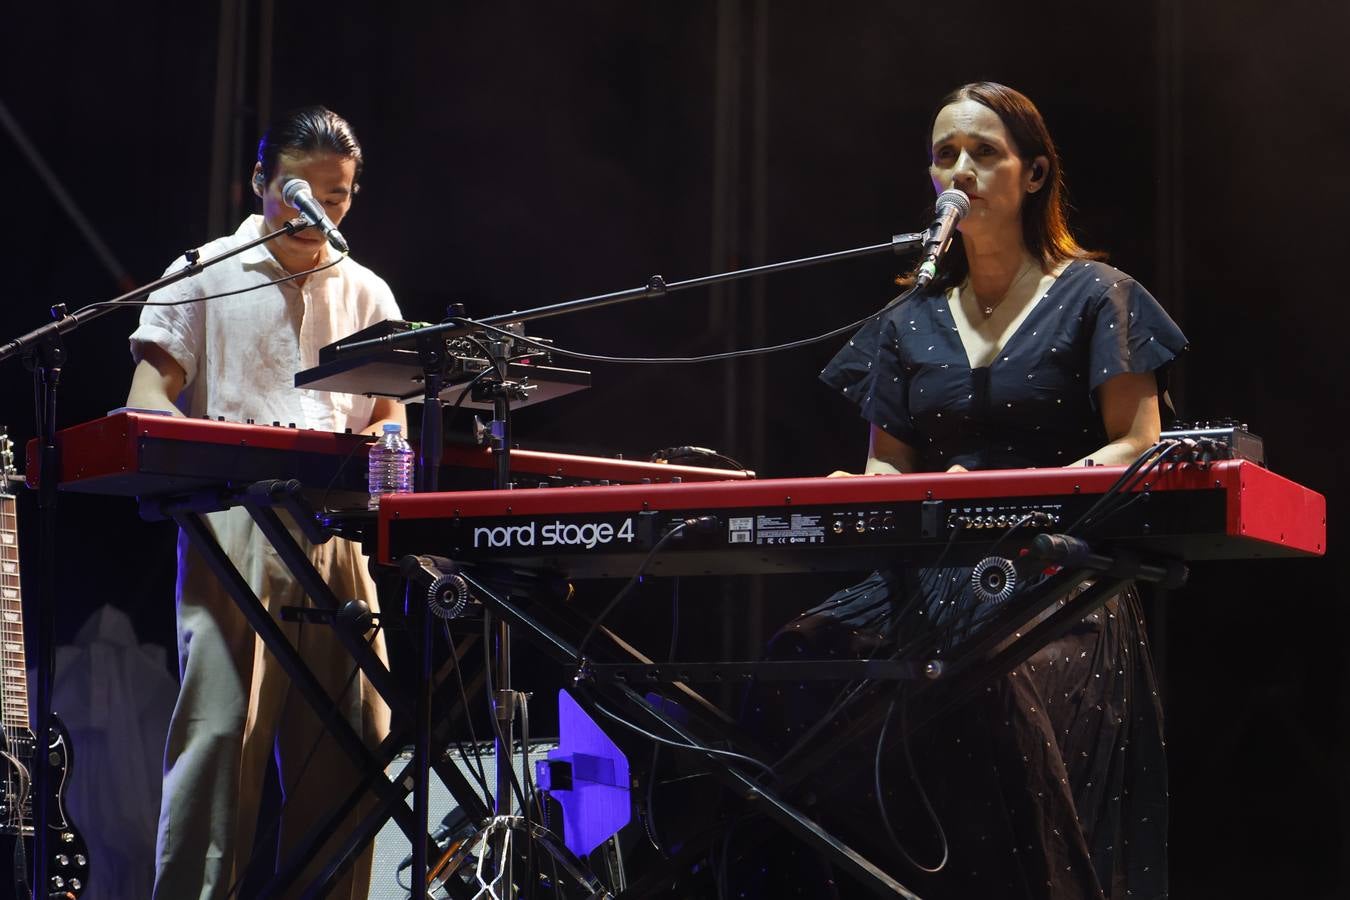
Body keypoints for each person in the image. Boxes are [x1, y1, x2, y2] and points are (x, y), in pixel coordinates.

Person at [739, 82, 1186, 899]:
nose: (961, 169)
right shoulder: (909, 318)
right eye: (946, 154)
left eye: (984, 151)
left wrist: (1016, 485)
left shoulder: (1097, 295)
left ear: (1036, 174)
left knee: (982, 682)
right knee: (795, 664)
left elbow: (1136, 442)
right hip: (929, 577)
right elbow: (890, 469)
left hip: (1057, 577)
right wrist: (860, 485)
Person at [125, 106, 405, 900]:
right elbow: (147, 395)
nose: (321, 211)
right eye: (301, 192)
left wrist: (390, 440)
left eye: (340, 195)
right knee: (222, 741)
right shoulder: (205, 271)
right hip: (235, 527)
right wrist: (211, 462)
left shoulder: (367, 289)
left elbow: (391, 410)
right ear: (259, 183)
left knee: (357, 745)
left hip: (339, 530)